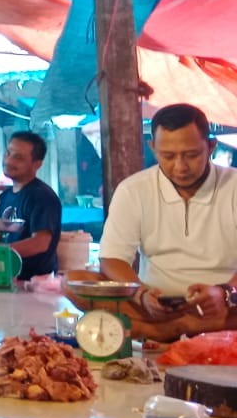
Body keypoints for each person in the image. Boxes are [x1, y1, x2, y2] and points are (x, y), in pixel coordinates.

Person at [89, 104, 237, 321]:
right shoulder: (133, 190)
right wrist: (141, 294)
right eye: (168, 156)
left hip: (225, 306)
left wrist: (225, 293)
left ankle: (169, 331)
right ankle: (185, 328)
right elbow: (112, 258)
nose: (180, 166)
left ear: (211, 146)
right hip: (155, 308)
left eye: (191, 155)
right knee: (76, 280)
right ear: (152, 148)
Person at [0, 131, 62, 279]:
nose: (9, 161)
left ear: (37, 164)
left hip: (35, 283)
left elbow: (40, 243)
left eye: (18, 157)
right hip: (5, 278)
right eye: (8, 153)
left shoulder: (42, 197)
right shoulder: (5, 197)